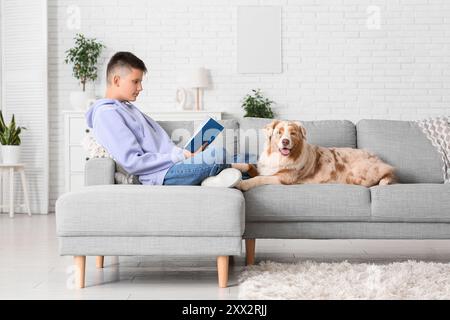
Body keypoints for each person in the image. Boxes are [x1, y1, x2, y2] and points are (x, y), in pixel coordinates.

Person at [85, 51, 253, 187]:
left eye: (140, 82)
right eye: (135, 81)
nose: (140, 88)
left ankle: (218, 176)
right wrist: (182, 156)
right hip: (161, 174)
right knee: (218, 154)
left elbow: (161, 147)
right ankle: (217, 177)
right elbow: (133, 162)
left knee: (246, 158)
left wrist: (187, 153)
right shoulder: (107, 115)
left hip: (175, 163)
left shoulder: (126, 108)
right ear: (116, 80)